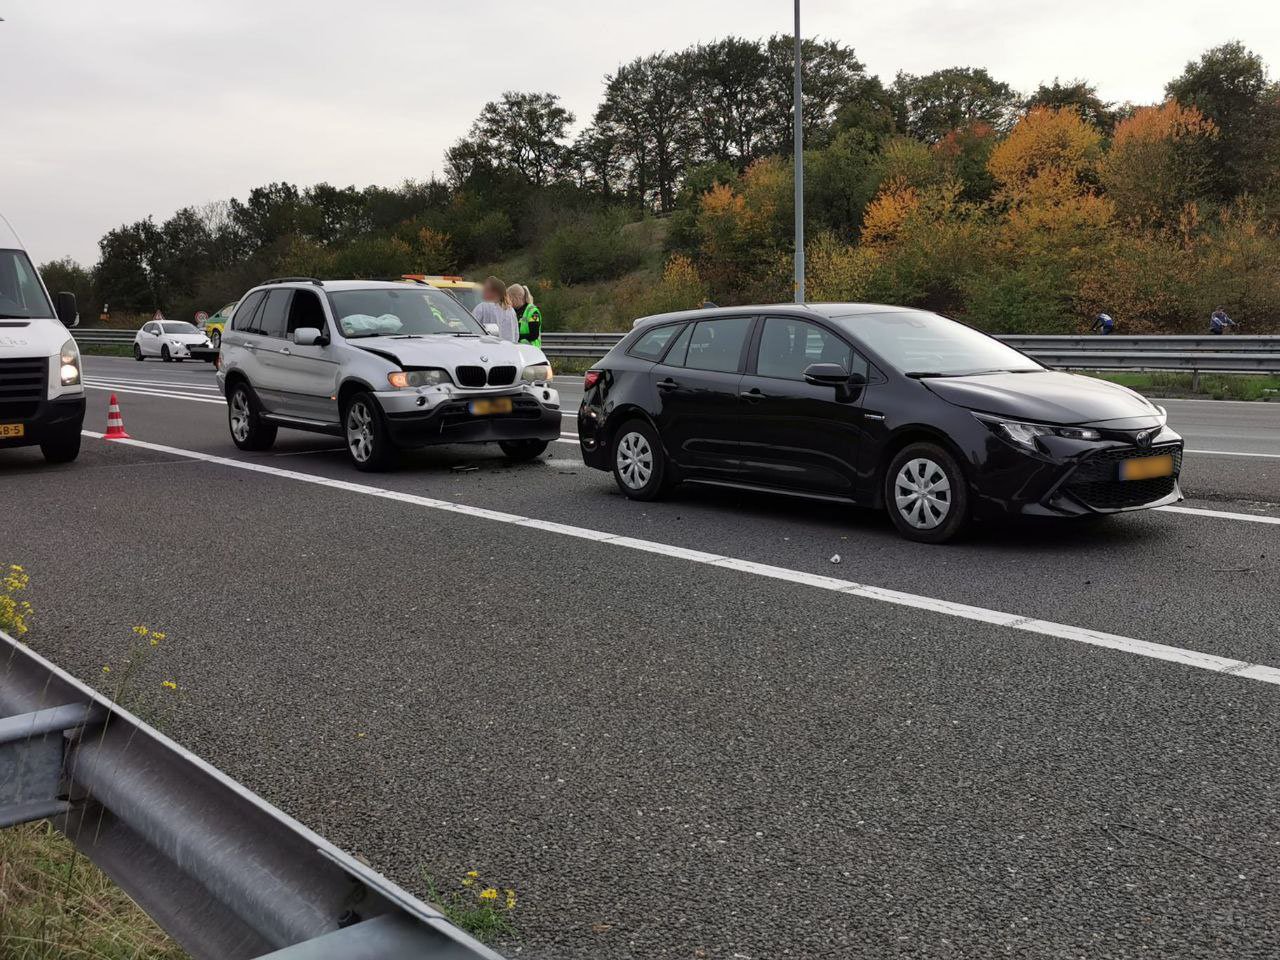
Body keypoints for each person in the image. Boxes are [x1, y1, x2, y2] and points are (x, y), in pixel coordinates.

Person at [472, 276, 517, 342]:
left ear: (495, 292)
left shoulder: (482, 308)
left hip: (487, 346)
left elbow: (471, 328)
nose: (483, 292)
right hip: (508, 346)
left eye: (486, 290)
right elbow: (516, 334)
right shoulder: (511, 310)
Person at [508, 283, 543, 348]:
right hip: (519, 348)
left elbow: (534, 335)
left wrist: (516, 337)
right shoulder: (513, 311)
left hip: (532, 349)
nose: (509, 302)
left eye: (510, 299)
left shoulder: (532, 311)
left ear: (517, 298)